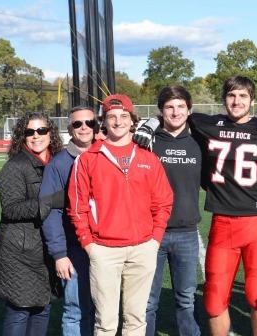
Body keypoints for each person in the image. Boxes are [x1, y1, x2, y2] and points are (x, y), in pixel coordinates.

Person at [134, 76, 257, 336]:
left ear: (252, 101)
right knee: (213, 301)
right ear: (224, 100)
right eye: (232, 95)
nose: (237, 101)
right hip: (222, 221)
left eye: (243, 96)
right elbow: (175, 113)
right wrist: (150, 123)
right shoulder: (207, 122)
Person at [67, 94, 173, 335]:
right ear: (103, 122)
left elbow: (163, 202)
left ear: (132, 120)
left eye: (124, 116)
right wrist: (89, 244)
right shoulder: (87, 159)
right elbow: (77, 207)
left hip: (143, 249)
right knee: (105, 322)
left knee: (136, 320)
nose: (118, 121)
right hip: (104, 251)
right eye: (112, 117)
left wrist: (154, 240)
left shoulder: (148, 157)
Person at [0, 112, 63, 336]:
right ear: (22, 136)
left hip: (44, 248)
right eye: (29, 132)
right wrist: (50, 202)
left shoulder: (56, 162)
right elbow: (11, 209)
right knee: (20, 310)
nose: (36, 136)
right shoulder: (15, 166)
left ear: (50, 133)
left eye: (41, 130)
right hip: (18, 250)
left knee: (42, 307)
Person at [145, 86, 202, 336]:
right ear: (161, 111)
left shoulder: (200, 139)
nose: (175, 111)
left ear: (189, 110)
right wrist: (147, 126)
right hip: (151, 233)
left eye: (180, 106)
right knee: (148, 301)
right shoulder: (148, 140)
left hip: (187, 232)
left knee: (186, 300)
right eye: (169, 106)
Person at [39, 106, 98, 335]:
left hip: (106, 247)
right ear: (69, 128)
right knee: (75, 309)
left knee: (103, 307)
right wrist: (60, 254)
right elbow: (50, 212)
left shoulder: (107, 156)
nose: (84, 128)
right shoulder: (58, 165)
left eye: (89, 123)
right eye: (77, 124)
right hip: (73, 249)